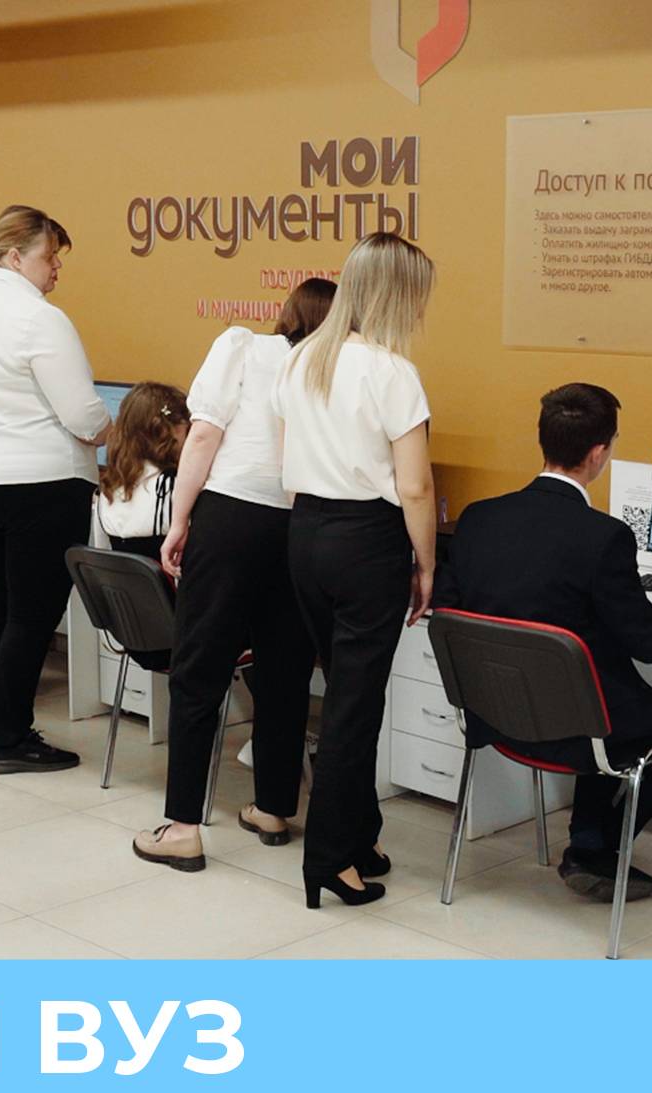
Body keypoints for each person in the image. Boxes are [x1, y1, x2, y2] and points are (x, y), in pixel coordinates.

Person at [437, 384, 652, 901]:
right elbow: (650, 641)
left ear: (544, 439)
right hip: (577, 729)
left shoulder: (479, 517)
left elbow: (448, 611)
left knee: (602, 692)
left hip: (495, 720)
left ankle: (590, 838)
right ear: (599, 453)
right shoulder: (603, 537)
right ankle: (595, 847)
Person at [131, 279, 333, 873]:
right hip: (299, 525)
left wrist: (180, 519)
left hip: (231, 518)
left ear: (287, 313)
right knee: (285, 674)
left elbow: (204, 435)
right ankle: (272, 808)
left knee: (199, 672)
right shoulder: (336, 369)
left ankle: (182, 828)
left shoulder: (243, 346)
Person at [274, 234, 437, 909]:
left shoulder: (301, 358)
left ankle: (359, 835)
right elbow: (416, 488)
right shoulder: (392, 372)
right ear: (398, 295)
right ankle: (330, 859)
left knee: (345, 692)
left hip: (306, 533)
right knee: (353, 708)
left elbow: (285, 457)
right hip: (367, 542)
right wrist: (426, 563)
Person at [0, 205, 110, 773]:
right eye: (49, 256)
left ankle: (5, 728)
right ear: (15, 257)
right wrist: (113, 432)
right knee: (31, 616)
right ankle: (9, 740)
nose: (57, 268)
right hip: (38, 482)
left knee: (7, 606)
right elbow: (83, 415)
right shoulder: (40, 319)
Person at [92, 380, 188, 673]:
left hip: (133, 635)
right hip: (182, 638)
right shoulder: (174, 492)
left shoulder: (108, 491)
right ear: (170, 431)